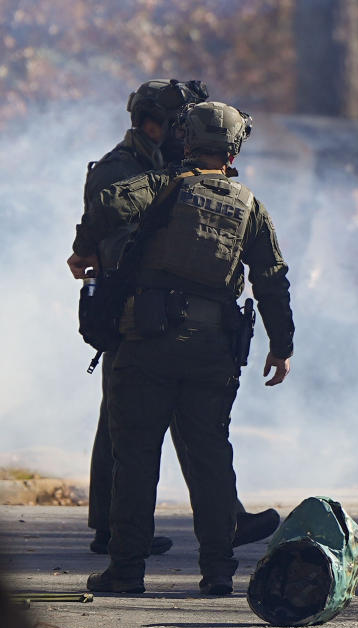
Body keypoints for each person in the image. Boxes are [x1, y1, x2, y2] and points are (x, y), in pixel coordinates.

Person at [70, 101, 294, 595]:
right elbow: (272, 281)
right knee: (211, 457)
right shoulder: (250, 205)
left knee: (136, 456)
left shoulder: (160, 186)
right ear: (234, 149)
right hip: (213, 350)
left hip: (146, 343)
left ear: (186, 139)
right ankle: (217, 573)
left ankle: (126, 572)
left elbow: (107, 203)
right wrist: (281, 346)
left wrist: (83, 250)